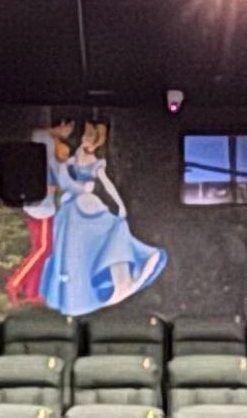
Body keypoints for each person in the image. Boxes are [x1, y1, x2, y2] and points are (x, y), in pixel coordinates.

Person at [33, 114, 165, 313]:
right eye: (85, 134)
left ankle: (117, 279)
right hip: (73, 207)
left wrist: (119, 205)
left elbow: (105, 183)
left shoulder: (93, 161)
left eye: (90, 135)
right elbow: (63, 175)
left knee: (107, 235)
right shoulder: (72, 156)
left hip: (87, 205)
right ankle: (72, 294)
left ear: (97, 140)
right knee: (71, 250)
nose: (85, 138)